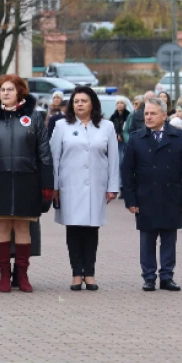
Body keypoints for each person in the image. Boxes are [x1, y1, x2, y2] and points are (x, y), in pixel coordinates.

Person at [0, 75, 54, 293]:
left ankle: (22, 274)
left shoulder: (34, 117)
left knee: (22, 227)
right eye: (2, 90)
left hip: (27, 179)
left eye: (10, 89)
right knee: (1, 227)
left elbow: (44, 153)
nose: (5, 93)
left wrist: (47, 183)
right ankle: (4, 275)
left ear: (20, 92)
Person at [50, 87, 120, 291]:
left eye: (84, 101)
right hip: (69, 186)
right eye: (76, 101)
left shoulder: (106, 126)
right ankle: (75, 274)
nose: (79, 104)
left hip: (96, 185)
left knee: (91, 230)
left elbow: (114, 159)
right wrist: (54, 187)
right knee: (73, 229)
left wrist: (112, 186)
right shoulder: (62, 126)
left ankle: (89, 273)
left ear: (93, 104)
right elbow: (54, 158)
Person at [122, 98, 182, 291]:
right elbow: (127, 172)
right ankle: (148, 277)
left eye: (153, 113)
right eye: (146, 113)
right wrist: (130, 199)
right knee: (147, 239)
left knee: (169, 238)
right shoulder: (136, 138)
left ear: (164, 115)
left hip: (172, 195)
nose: (148, 117)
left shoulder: (179, 137)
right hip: (145, 196)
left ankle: (167, 277)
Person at [109, 98, 130, 165]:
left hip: (124, 140)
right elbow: (110, 127)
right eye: (118, 103)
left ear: (125, 105)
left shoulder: (128, 115)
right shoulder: (113, 116)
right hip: (114, 139)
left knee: (122, 159)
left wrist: (121, 135)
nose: (119, 105)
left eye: (121, 103)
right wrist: (116, 135)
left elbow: (127, 128)